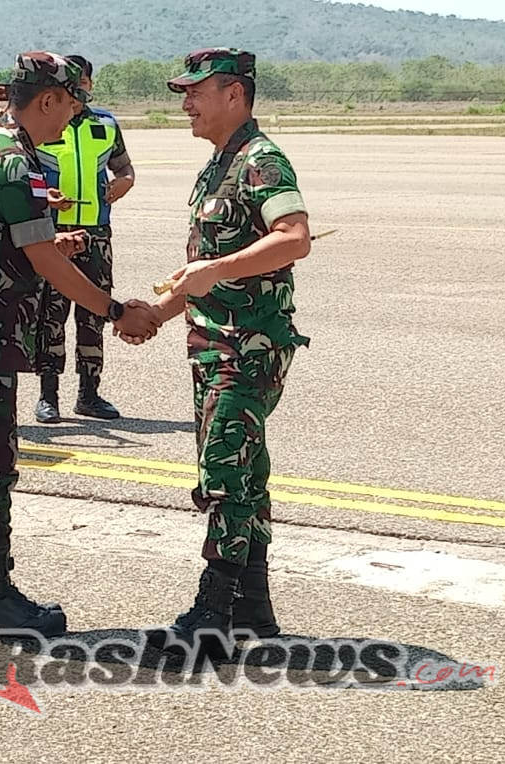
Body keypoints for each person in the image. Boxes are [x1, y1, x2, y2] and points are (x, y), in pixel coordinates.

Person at [0, 51, 160, 632]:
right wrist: (115, 309)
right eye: (71, 106)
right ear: (48, 99)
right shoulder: (11, 158)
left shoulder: (1, 146)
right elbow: (40, 255)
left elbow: (23, 237)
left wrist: (55, 243)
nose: (72, 118)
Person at [134, 48, 311, 655]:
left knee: (224, 474)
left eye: (195, 93)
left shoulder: (261, 161)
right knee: (246, 472)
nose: (185, 103)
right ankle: (254, 609)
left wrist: (215, 272)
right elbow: (206, 271)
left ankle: (212, 614)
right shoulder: (218, 166)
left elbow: (294, 238)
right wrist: (161, 311)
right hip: (215, 342)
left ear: (234, 94)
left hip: (248, 347)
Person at [33, 54, 136, 423]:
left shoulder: (105, 124)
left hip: (95, 234)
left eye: (83, 81)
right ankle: (49, 396)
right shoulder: (42, 124)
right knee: (51, 315)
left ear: (89, 84)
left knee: (94, 314)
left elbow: (123, 166)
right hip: (51, 233)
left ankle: (89, 394)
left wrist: (124, 182)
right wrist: (45, 194)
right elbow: (22, 171)